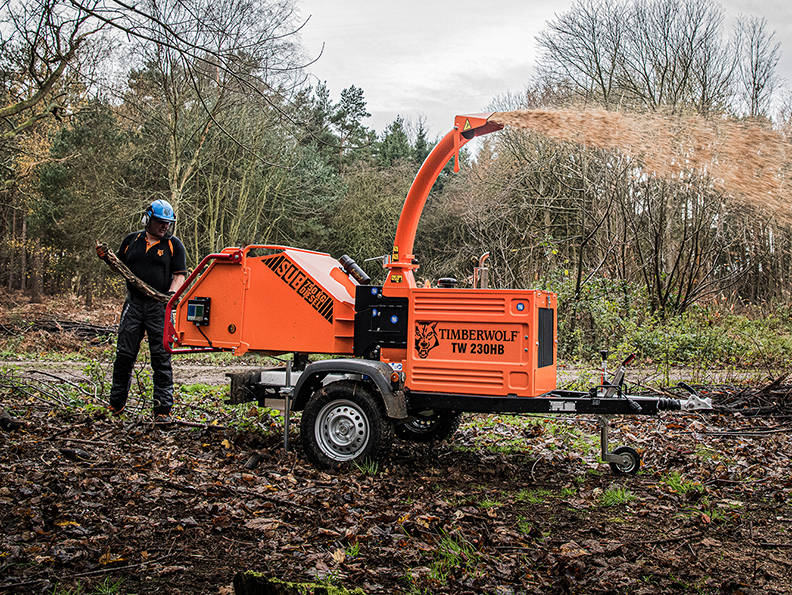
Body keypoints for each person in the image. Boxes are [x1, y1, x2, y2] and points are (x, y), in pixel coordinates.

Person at [97, 199, 187, 422]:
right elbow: (118, 264)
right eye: (160, 222)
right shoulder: (132, 241)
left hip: (159, 308)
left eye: (168, 223)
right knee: (124, 356)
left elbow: (179, 275)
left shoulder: (174, 245)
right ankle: (116, 405)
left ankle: (162, 410)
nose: (164, 227)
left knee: (161, 358)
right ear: (148, 219)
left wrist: (169, 296)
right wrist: (105, 256)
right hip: (134, 305)